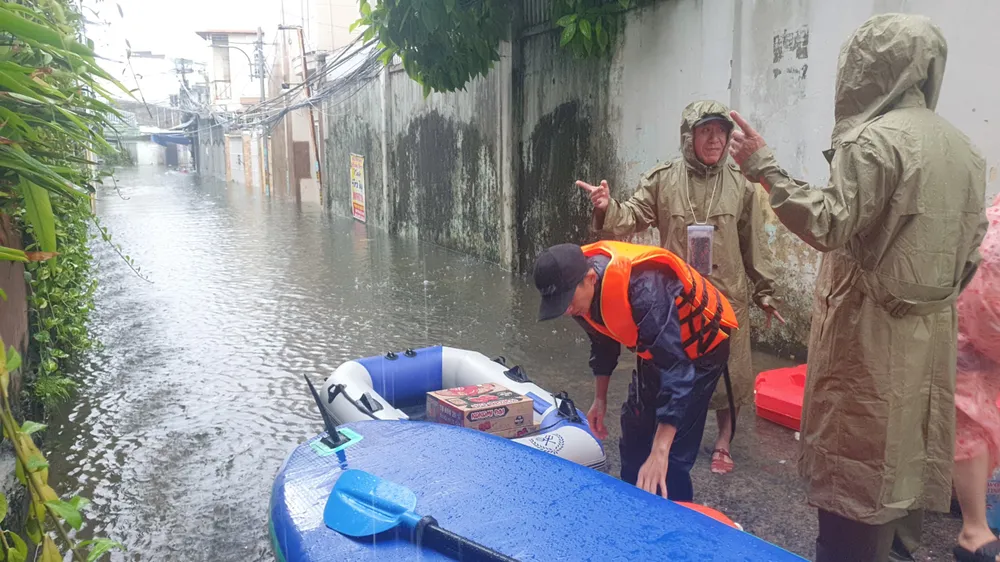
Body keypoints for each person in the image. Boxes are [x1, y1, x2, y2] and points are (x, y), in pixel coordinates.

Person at [727, 13, 988, 562]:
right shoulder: (964, 150)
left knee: (857, 471)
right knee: (907, 470)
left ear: (868, 70)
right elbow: (970, 252)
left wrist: (764, 169)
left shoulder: (872, 142)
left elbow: (830, 224)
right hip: (930, 339)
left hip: (868, 340)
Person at [577, 100, 781, 475]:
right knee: (672, 364)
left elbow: (754, 241)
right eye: (706, 131)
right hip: (675, 296)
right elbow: (633, 216)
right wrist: (608, 207)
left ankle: (723, 442)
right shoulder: (663, 180)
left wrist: (765, 291)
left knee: (730, 372)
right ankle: (666, 434)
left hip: (727, 292)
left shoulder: (741, 185)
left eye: (721, 131)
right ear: (689, 136)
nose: (715, 139)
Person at [532, 239, 737, 501]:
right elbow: (603, 342)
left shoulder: (644, 289)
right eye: (559, 304)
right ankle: (632, 511)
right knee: (634, 438)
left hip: (700, 350)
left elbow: (677, 368)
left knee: (671, 455)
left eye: (567, 301)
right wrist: (600, 399)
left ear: (590, 278)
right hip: (655, 346)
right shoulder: (577, 293)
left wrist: (661, 448)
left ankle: (674, 520)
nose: (567, 310)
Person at [953, 194, 1000, 562]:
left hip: (984, 348)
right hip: (970, 348)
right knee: (970, 430)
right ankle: (974, 532)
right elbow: (984, 309)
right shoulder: (994, 233)